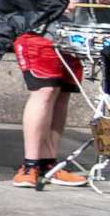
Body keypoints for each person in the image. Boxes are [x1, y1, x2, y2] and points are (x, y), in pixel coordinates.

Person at [9, 32, 88, 189]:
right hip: (39, 32)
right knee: (44, 91)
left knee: (62, 95)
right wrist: (61, 5)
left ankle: (48, 165)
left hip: (74, 36)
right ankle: (30, 165)